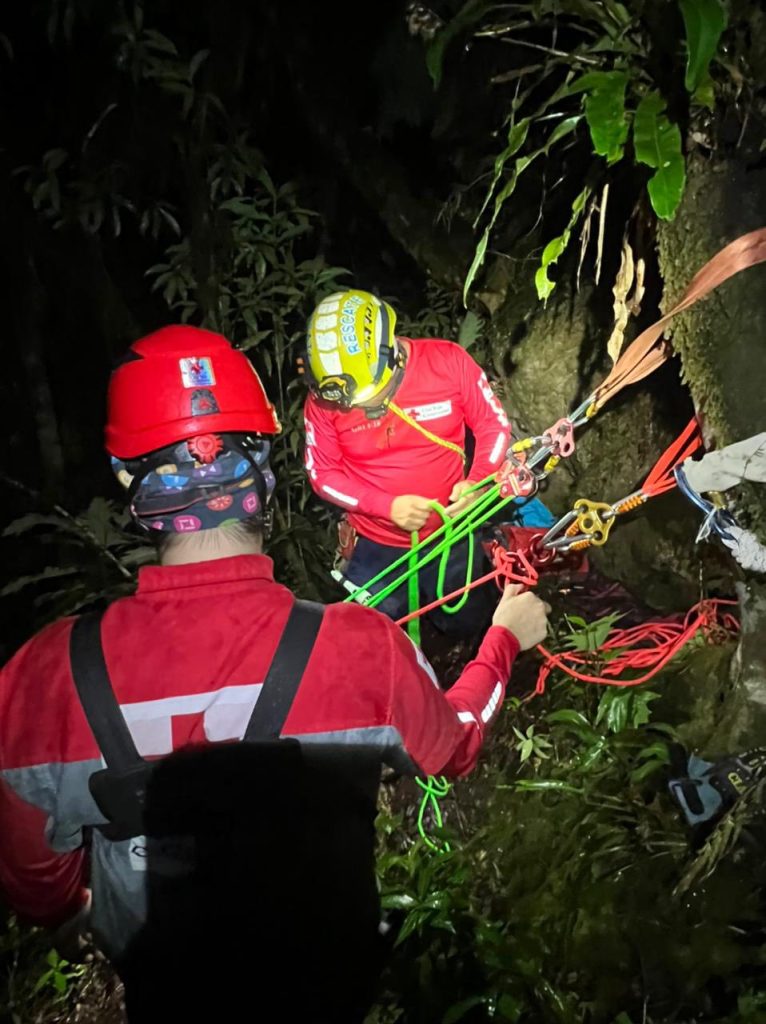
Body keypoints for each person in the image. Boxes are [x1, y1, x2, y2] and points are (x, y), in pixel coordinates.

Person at [0, 324, 550, 1022]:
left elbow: (38, 883)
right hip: (321, 976)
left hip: (165, 983)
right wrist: (503, 638)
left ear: (130, 484)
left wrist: (86, 903)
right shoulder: (359, 648)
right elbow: (457, 742)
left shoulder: (42, 680)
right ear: (262, 469)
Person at [302, 288, 553, 635]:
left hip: (451, 533)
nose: (356, 408)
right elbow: (321, 473)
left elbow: (492, 424)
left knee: (466, 621)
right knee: (380, 635)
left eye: (366, 395)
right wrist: (387, 507)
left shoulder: (447, 363)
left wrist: (478, 483)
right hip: (376, 544)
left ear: (391, 355)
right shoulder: (324, 404)